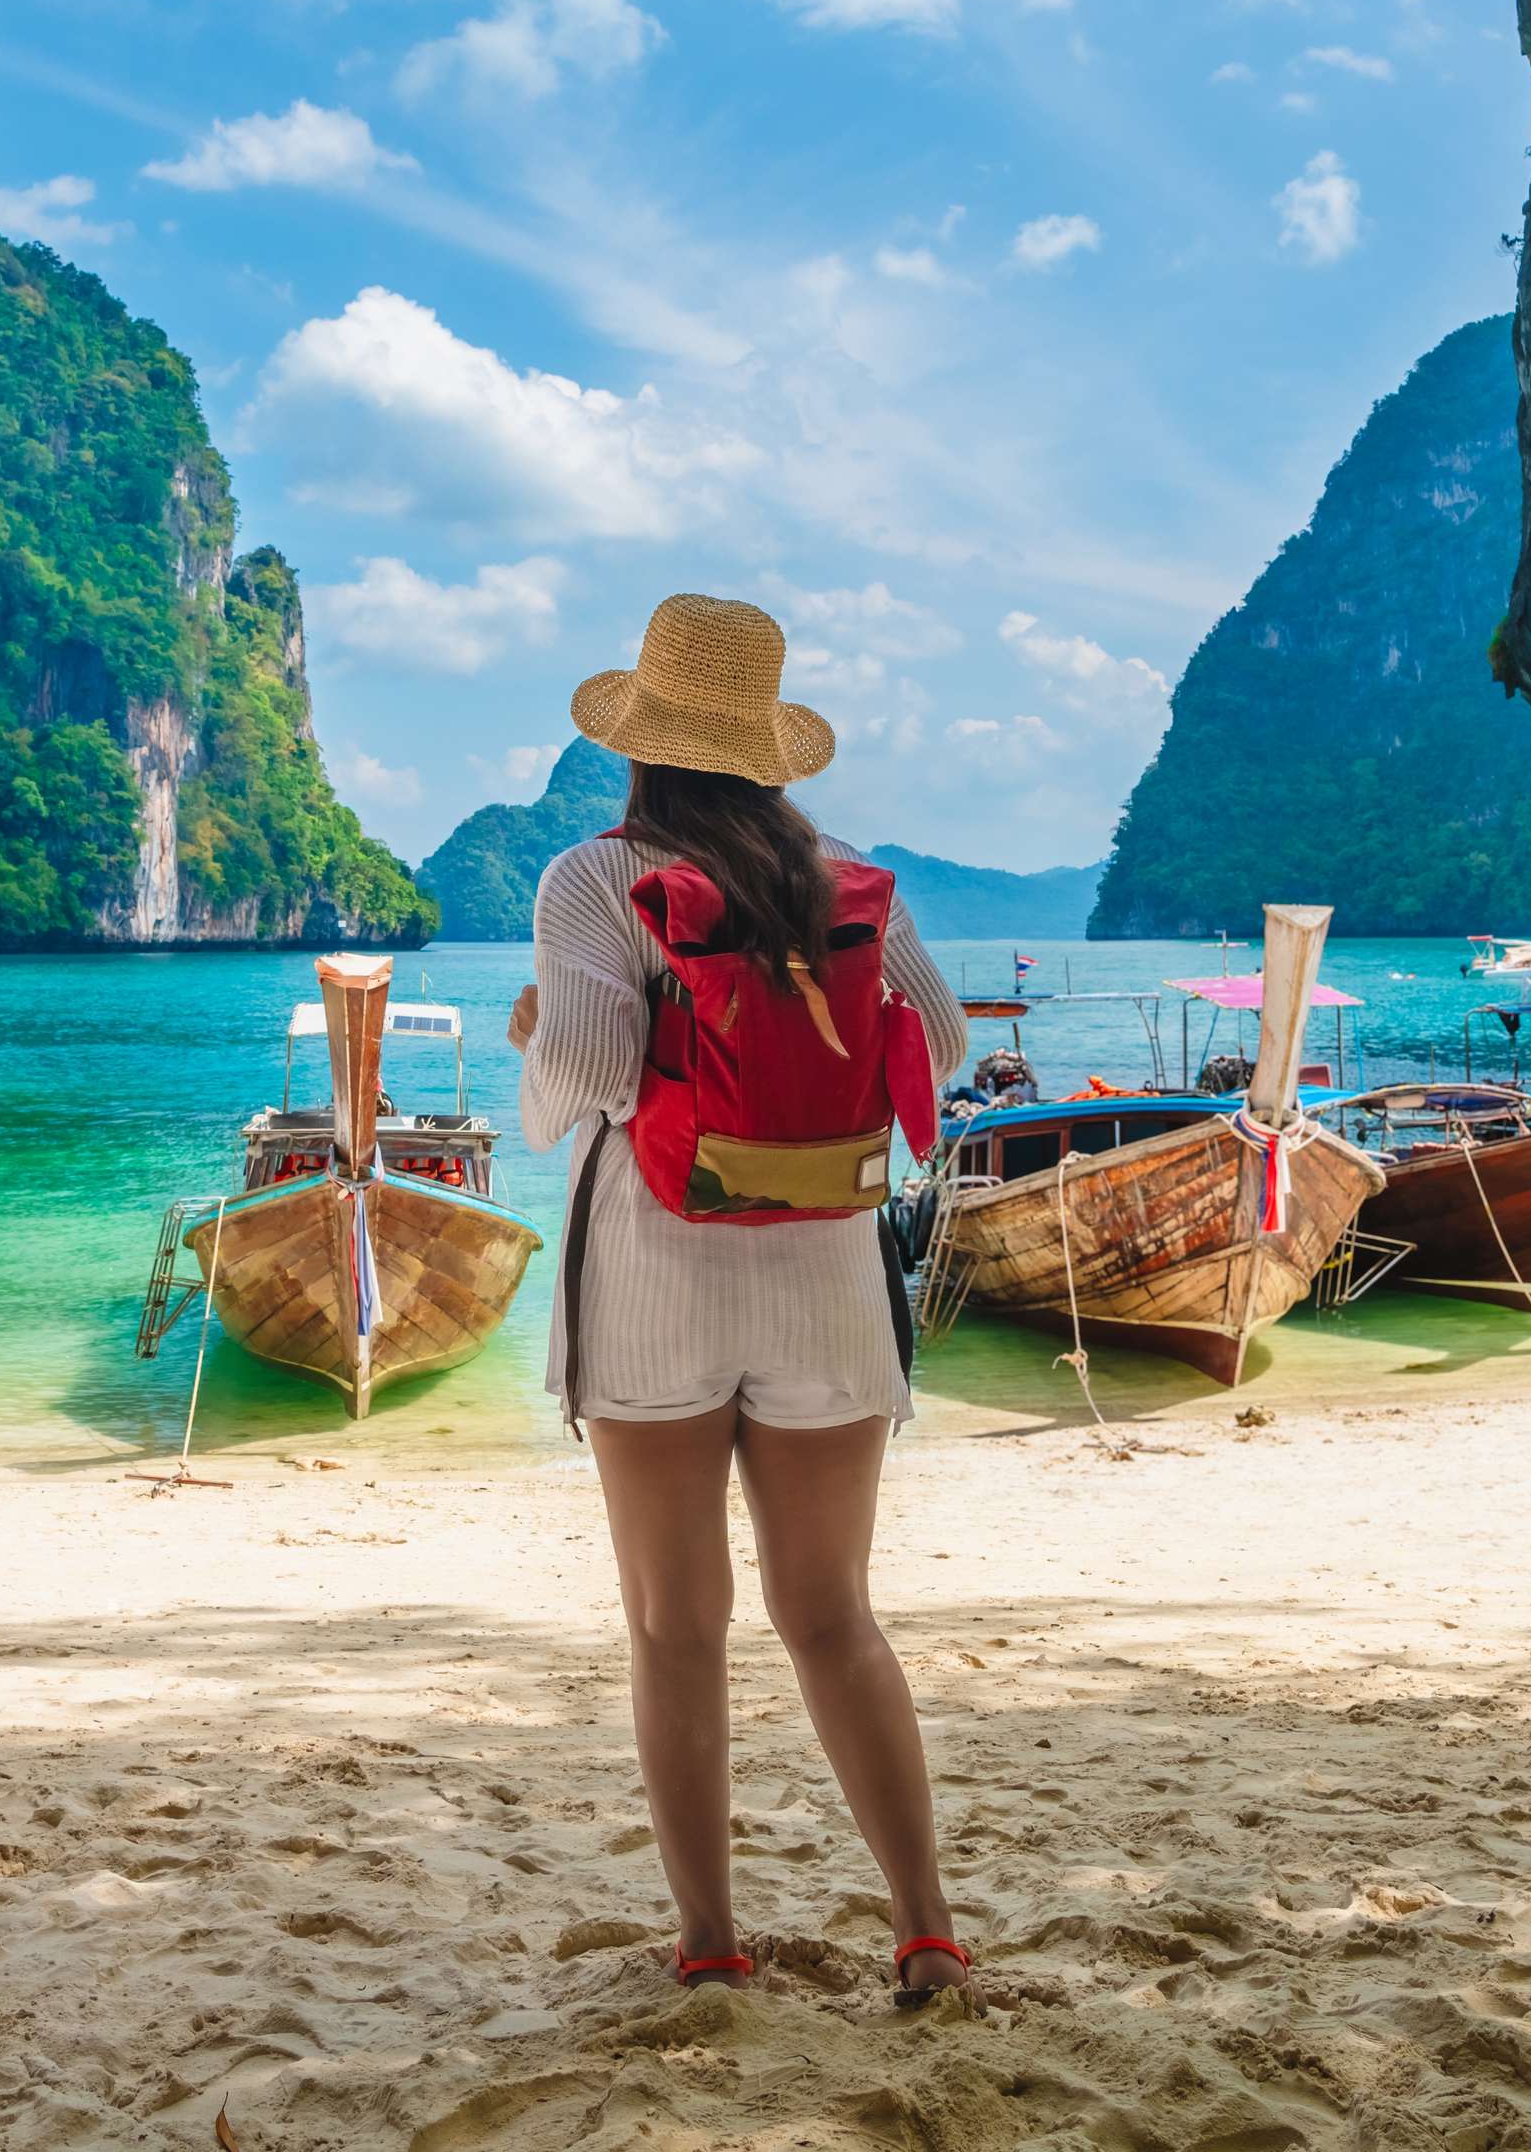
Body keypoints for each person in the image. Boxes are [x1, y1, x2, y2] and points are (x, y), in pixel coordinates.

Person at [505, 592, 978, 2005]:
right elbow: (943, 1042)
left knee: (677, 1625)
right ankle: (927, 1934)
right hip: (828, 1277)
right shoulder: (843, 883)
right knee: (833, 1616)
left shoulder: (595, 880)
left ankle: (712, 1944)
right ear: (768, 750)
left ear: (638, 745)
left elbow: (589, 1073)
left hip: (656, 1272)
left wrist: (533, 1037)